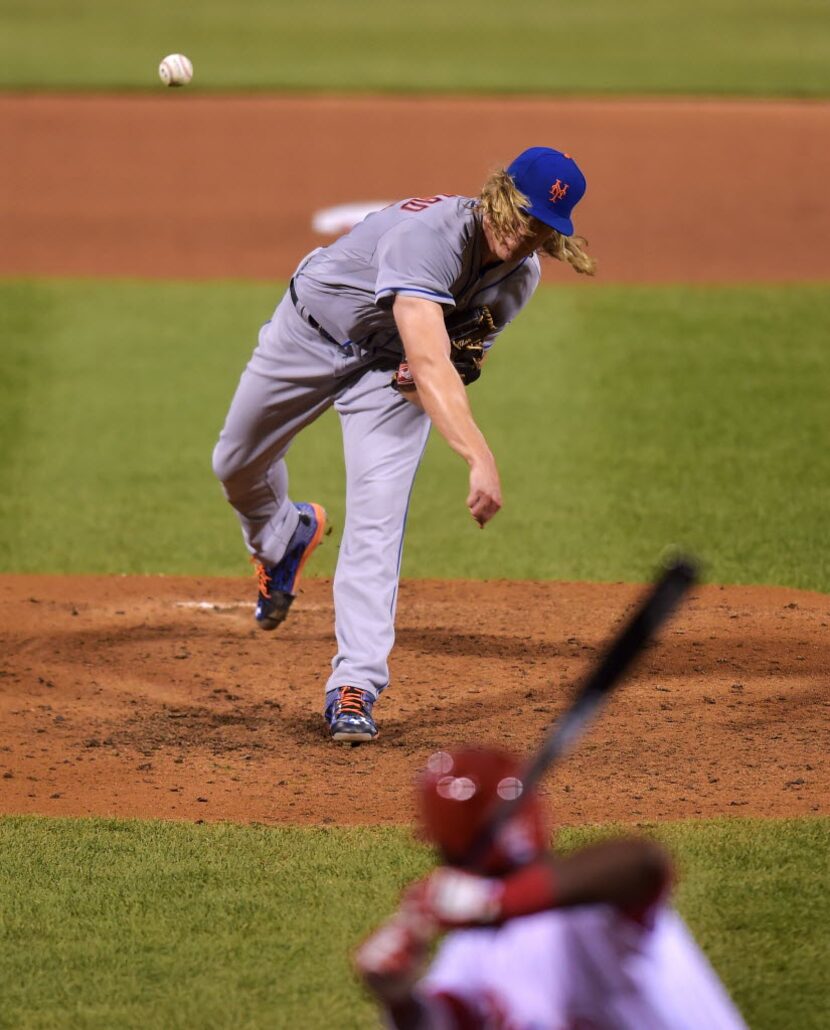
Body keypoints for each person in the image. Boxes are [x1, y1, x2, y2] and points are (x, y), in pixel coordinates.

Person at [212, 148, 596, 743]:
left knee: (378, 516)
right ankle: (282, 537)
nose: (526, 234)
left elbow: (444, 365)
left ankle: (355, 685)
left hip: (388, 372)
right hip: (311, 334)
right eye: (521, 213)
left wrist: (423, 386)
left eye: (543, 227)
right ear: (497, 192)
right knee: (236, 464)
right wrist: (478, 455)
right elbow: (430, 355)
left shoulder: (520, 279)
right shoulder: (431, 237)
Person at [354, 748, 749, 1029]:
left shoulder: (591, 906)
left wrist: (494, 902)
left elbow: (641, 863)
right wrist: (400, 999)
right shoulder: (475, 943)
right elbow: (451, 1017)